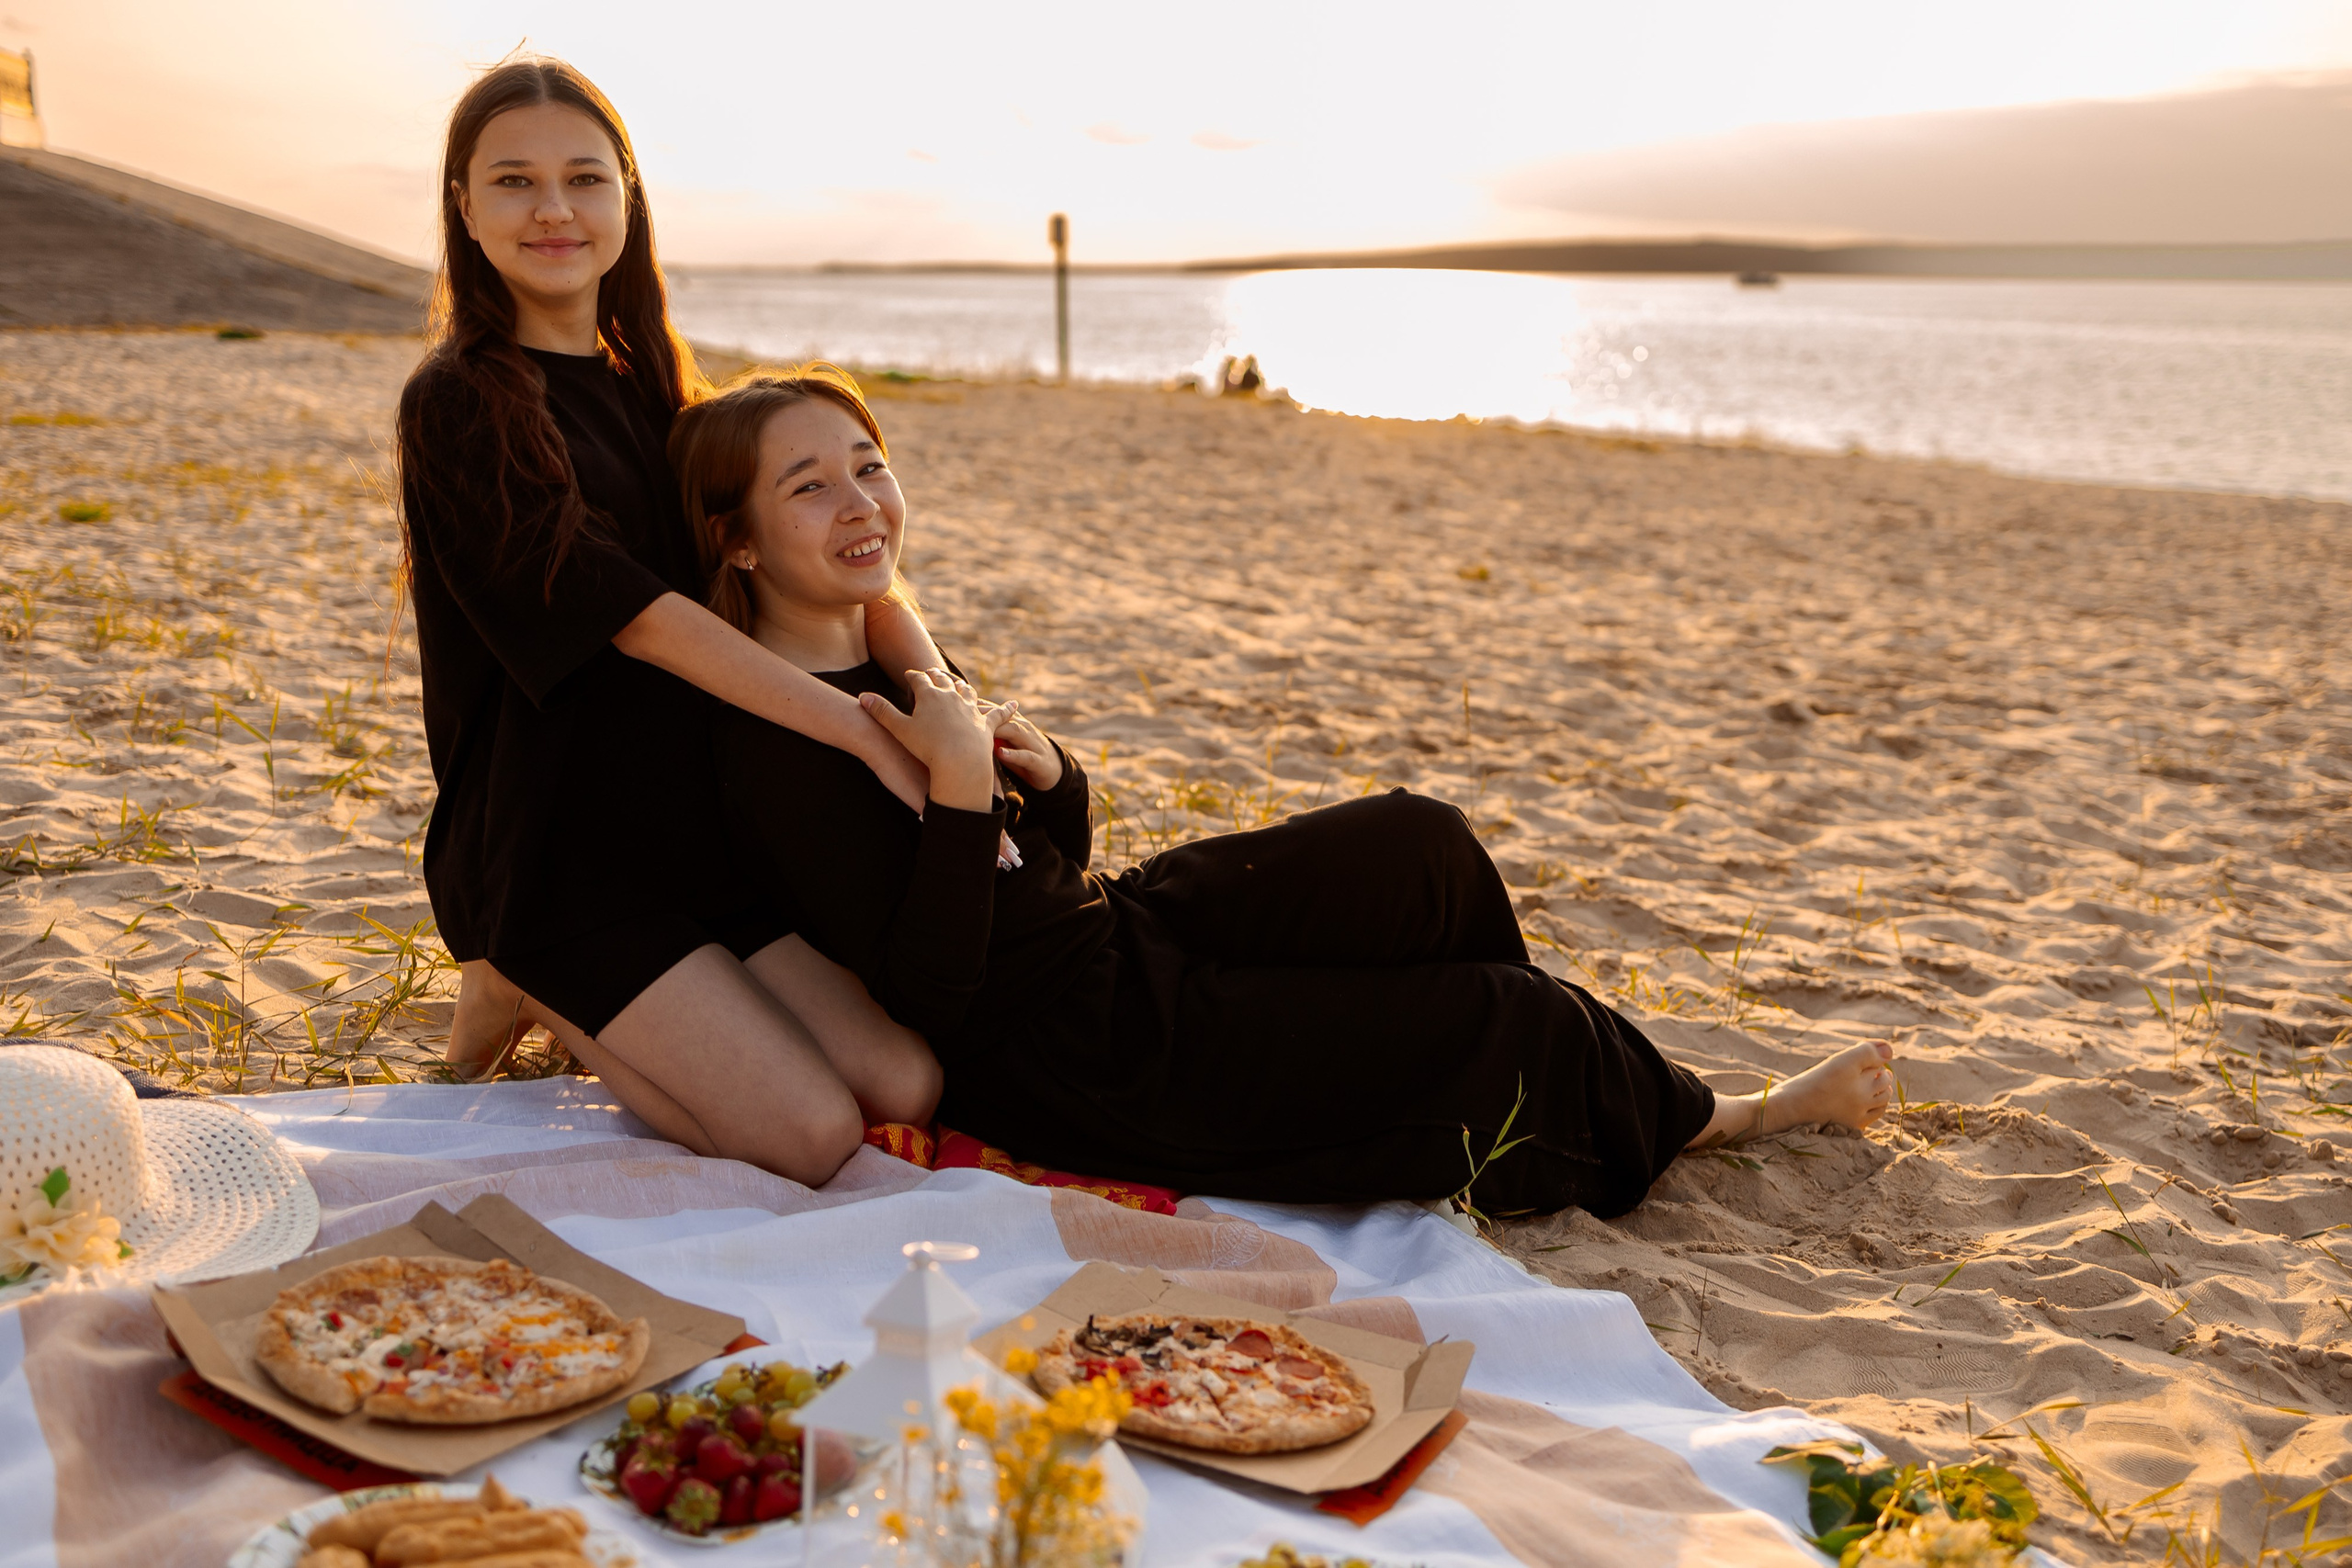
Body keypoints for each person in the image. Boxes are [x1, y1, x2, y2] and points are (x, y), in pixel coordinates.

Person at [673, 368, 1897, 1215]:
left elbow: (1032, 859)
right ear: (736, 540)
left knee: (1424, 845)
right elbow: (927, 992)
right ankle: (1727, 1115)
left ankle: (1473, 1089)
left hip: (1119, 931)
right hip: (1084, 1054)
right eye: (809, 486)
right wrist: (949, 792)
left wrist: (1046, 779)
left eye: (868, 464)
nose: (860, 501)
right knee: (1509, 1022)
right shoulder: (772, 745)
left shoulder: (887, 645)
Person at [395, 59, 944, 1187]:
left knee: (904, 1084)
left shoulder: (662, 389)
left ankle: (539, 989)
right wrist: (854, 734)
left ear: (628, 198)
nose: (553, 210)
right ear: (465, 206)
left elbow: (833, 561)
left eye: (584, 179)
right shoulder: (458, 401)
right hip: (553, 846)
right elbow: (634, 620)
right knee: (807, 1134)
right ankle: (525, 973)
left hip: (692, 828)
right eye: (514, 182)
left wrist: (937, 700)